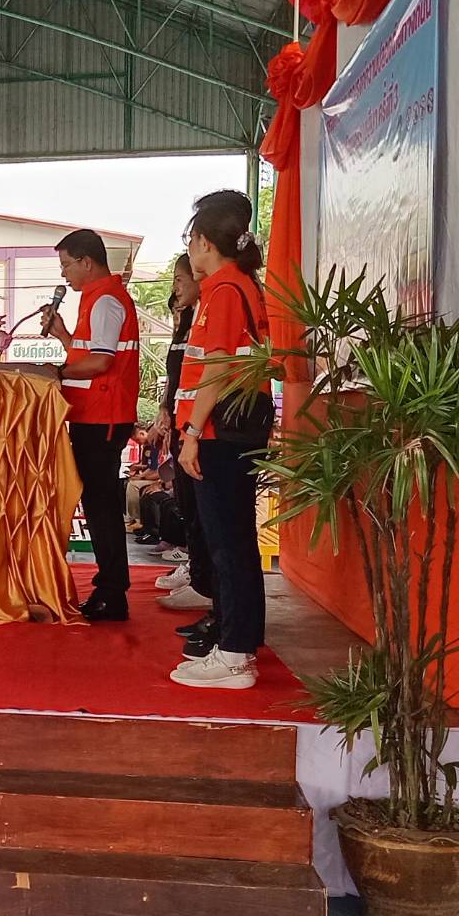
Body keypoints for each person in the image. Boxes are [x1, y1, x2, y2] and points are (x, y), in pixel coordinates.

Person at [171, 190, 273, 690]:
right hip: (225, 431)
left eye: (190, 239)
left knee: (228, 544)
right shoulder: (230, 287)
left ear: (205, 242)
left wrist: (192, 433)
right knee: (233, 541)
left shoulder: (227, 290)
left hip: (220, 433)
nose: (189, 249)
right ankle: (239, 643)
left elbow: (216, 369)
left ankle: (234, 656)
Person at [40, 228, 140, 622]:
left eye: (66, 265)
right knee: (97, 503)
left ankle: (112, 592)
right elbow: (88, 353)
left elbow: (100, 362)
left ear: (87, 262)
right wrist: (64, 336)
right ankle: (109, 588)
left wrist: (57, 371)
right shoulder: (94, 300)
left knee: (102, 506)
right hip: (90, 414)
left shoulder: (106, 301)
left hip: (103, 417)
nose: (63, 274)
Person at [147, 255, 214, 613]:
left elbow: (209, 376)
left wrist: (193, 429)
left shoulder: (213, 311)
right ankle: (196, 570)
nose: (175, 288)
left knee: (203, 510)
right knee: (188, 504)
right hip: (179, 422)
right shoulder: (187, 322)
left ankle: (204, 581)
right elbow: (176, 378)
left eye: (179, 279)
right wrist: (164, 409)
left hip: (200, 428)